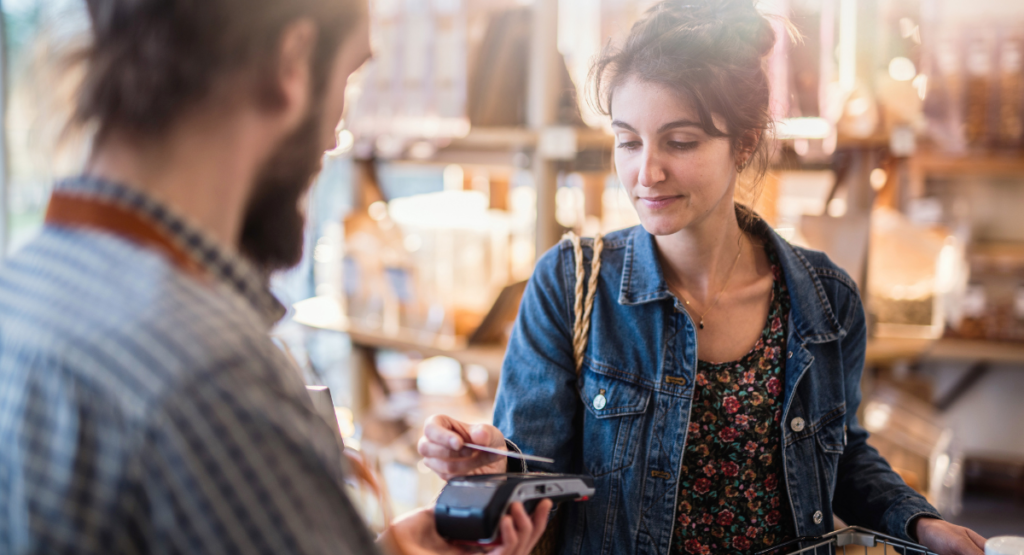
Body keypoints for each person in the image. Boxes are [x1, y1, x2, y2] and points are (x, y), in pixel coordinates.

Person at [418, 1, 987, 554]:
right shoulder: (569, 285)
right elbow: (532, 472)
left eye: (681, 142)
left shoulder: (825, 299)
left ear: (743, 143)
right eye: (628, 141)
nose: (647, 172)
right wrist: (490, 470)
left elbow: (843, 458)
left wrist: (917, 523)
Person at [0, 1, 552, 554]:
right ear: (292, 61)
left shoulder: (21, 292)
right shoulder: (216, 377)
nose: (335, 137)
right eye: (347, 81)